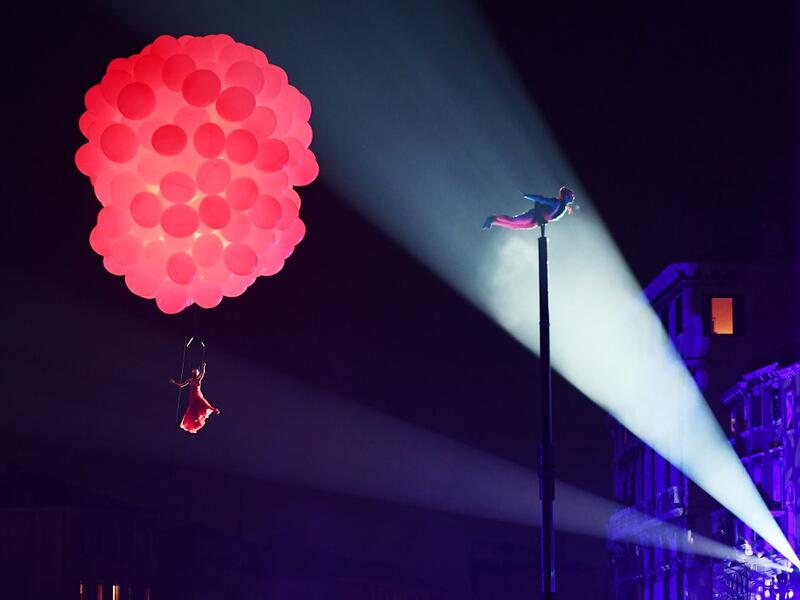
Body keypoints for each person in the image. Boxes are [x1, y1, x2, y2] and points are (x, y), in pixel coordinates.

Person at [482, 186, 576, 230]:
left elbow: (559, 209)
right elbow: (541, 199)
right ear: (566, 196)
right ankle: (492, 218)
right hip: (534, 215)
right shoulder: (556, 203)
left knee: (516, 226)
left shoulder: (562, 205)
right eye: (571, 196)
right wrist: (527, 196)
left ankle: (493, 221)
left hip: (538, 220)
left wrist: (568, 208)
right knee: (514, 221)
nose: (573, 198)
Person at [170, 362, 220, 434]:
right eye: (194, 371)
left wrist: (204, 366)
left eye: (196, 371)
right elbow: (181, 385)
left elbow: (203, 373)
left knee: (203, 403)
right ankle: (193, 422)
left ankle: (214, 409)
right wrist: (174, 382)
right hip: (192, 395)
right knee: (192, 409)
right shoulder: (190, 380)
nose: (194, 372)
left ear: (197, 373)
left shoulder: (198, 379)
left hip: (198, 393)